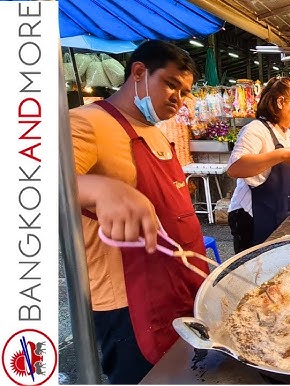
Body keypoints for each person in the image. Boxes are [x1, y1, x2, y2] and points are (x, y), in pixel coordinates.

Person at [70, 40, 209, 383]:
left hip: (180, 286)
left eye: (185, 91)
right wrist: (100, 188)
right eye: (171, 84)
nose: (179, 97)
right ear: (139, 72)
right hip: (130, 304)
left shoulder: (156, 133)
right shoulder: (86, 122)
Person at [227, 77, 290, 254]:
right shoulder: (255, 129)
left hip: (275, 213)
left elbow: (282, 177)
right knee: (255, 270)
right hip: (251, 216)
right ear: (281, 102)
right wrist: (281, 154)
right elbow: (235, 168)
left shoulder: (285, 133)